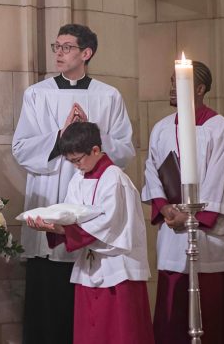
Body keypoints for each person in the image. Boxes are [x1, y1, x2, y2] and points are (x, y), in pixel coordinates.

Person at [12, 23, 135, 344]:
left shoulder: (108, 96)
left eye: (67, 47)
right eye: (57, 47)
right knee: (47, 305)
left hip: (91, 209)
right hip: (49, 197)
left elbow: (123, 151)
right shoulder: (37, 94)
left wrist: (89, 134)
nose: (59, 53)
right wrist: (60, 136)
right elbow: (22, 149)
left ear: (86, 53)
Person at [141, 61, 224, 344]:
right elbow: (152, 171)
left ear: (200, 89)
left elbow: (223, 181)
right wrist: (164, 208)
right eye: (172, 80)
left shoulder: (219, 129)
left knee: (211, 314)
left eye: (179, 82)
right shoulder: (161, 128)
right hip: (172, 235)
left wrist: (193, 218)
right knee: (172, 315)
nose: (172, 87)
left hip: (209, 238)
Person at [26, 122, 153, 344]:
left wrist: (64, 229)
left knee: (120, 334)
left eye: (78, 160)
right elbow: (71, 213)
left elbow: (109, 223)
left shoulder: (115, 179)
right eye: (71, 162)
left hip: (118, 271)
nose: (75, 166)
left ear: (95, 150)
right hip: (89, 267)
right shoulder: (78, 179)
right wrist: (54, 224)